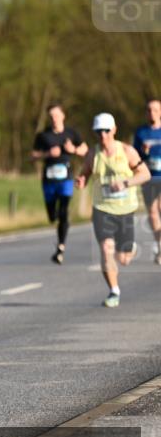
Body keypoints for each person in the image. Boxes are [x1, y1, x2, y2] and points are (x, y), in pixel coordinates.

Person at [76, 113, 151, 307]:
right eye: (98, 131)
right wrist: (81, 180)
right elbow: (84, 173)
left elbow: (145, 174)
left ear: (114, 130)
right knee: (106, 250)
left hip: (125, 209)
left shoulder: (127, 151)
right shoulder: (93, 154)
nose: (103, 135)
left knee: (124, 259)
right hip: (102, 208)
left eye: (106, 131)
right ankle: (114, 291)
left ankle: (129, 249)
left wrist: (125, 183)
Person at [31, 104, 89, 264]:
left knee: (63, 211)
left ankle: (61, 247)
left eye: (56, 115)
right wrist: (47, 154)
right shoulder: (43, 136)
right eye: (51, 116)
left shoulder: (71, 133)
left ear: (63, 116)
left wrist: (73, 149)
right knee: (52, 215)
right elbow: (33, 156)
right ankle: (55, 218)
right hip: (49, 180)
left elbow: (85, 150)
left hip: (66, 178)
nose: (54, 119)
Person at [133, 98, 161, 265]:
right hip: (148, 176)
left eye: (155, 110)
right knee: (151, 212)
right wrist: (142, 152)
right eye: (149, 110)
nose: (152, 113)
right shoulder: (141, 133)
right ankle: (159, 245)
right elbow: (134, 156)